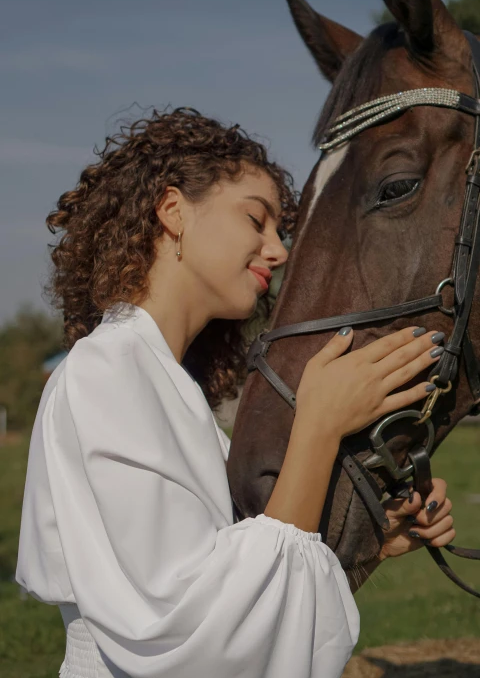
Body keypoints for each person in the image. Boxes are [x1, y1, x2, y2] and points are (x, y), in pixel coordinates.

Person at [16, 107, 455, 678]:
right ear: (173, 212)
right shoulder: (106, 373)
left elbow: (245, 611)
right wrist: (318, 428)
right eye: (257, 220)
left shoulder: (168, 387)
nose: (277, 250)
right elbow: (188, 629)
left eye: (280, 232)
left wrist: (370, 547)